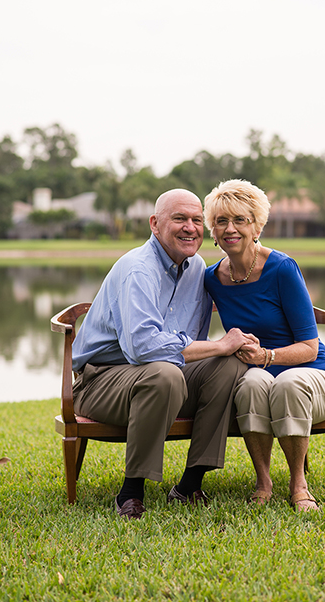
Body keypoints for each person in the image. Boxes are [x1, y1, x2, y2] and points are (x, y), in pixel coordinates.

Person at [72, 189, 253, 520]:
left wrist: (231, 346)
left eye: (197, 220)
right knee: (167, 372)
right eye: (179, 219)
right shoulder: (137, 269)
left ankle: (189, 485)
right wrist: (218, 344)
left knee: (228, 363)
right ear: (155, 224)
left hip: (162, 378)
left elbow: (190, 346)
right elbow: (142, 348)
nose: (190, 227)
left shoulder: (197, 268)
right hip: (100, 382)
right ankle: (130, 492)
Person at [203, 179, 325, 512]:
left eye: (240, 220)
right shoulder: (213, 278)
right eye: (221, 221)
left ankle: (298, 484)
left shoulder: (281, 268)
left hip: (313, 375)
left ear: (257, 226)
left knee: (289, 382)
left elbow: (310, 347)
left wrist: (268, 355)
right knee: (251, 382)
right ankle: (263, 481)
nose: (230, 229)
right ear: (213, 230)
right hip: (260, 378)